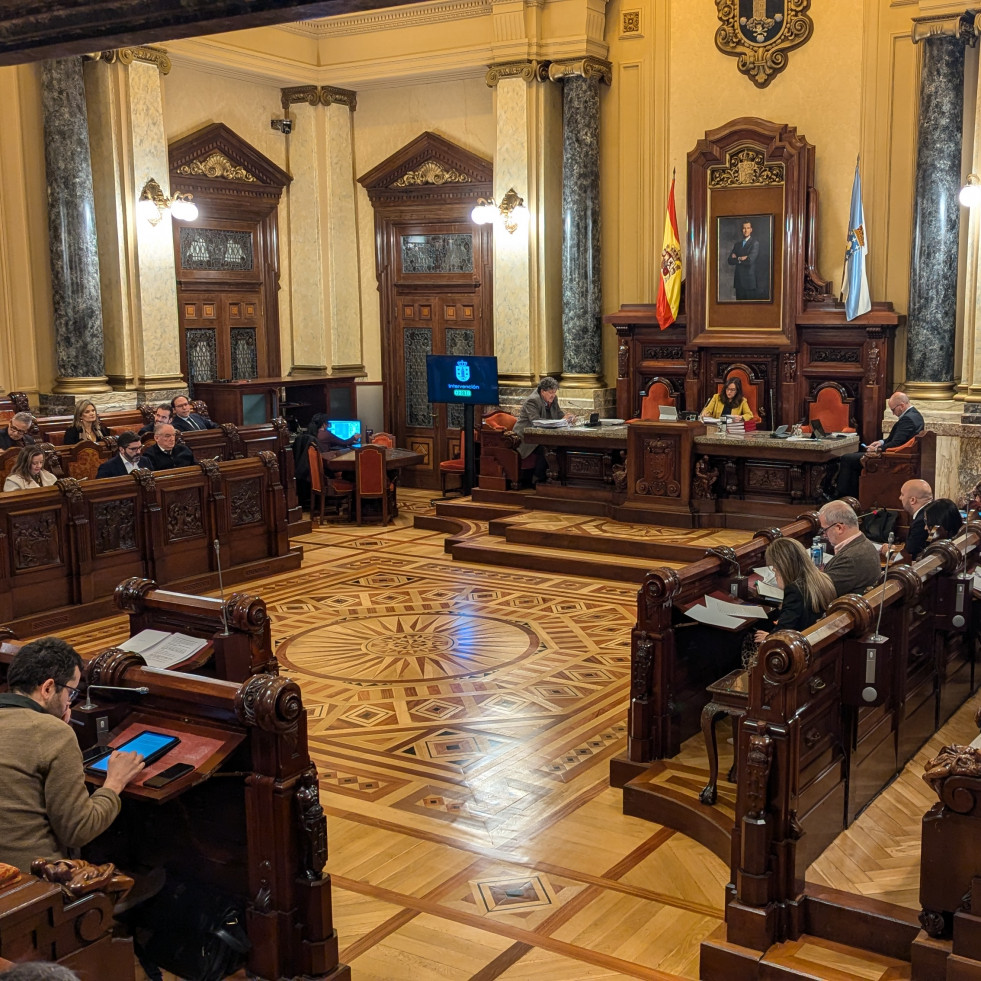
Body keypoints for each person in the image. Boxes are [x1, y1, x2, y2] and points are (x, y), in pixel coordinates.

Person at [0, 637, 144, 874]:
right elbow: (78, 830)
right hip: (32, 884)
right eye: (71, 692)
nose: (71, 702)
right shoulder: (52, 732)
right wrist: (114, 783)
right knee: (147, 878)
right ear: (47, 688)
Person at [835, 391, 924, 499]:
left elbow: (896, 444)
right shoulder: (916, 415)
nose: (893, 413)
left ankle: (842, 495)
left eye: (893, 410)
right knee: (853, 458)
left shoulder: (908, 419)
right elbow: (898, 440)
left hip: (892, 459)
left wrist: (877, 449)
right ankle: (852, 496)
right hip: (896, 454)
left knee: (847, 458)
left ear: (901, 406)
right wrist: (881, 442)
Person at [754, 537, 836, 642]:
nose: (775, 573)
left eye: (775, 569)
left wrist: (768, 637)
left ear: (783, 567)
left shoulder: (794, 590)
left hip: (800, 646)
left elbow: (782, 632)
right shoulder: (822, 579)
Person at [513, 377, 576, 485]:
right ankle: (537, 479)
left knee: (560, 446)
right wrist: (559, 421)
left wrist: (568, 417)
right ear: (543, 391)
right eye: (551, 392)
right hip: (525, 439)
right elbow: (536, 421)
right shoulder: (532, 401)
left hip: (542, 437)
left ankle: (560, 478)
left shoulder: (553, 399)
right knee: (547, 449)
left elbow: (559, 414)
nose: (553, 395)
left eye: (554, 392)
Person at [818, 500, 881, 596]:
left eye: (824, 529)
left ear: (839, 528)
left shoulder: (850, 559)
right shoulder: (865, 544)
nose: (824, 535)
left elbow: (820, 593)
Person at [883, 478, 933, 563]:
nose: (899, 498)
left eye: (902, 494)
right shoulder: (931, 512)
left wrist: (889, 552)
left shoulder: (921, 522)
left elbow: (907, 559)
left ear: (912, 500)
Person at [727, 219, 759, 300]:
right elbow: (730, 260)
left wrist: (737, 258)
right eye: (744, 228)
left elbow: (750, 260)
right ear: (742, 230)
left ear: (751, 230)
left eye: (748, 228)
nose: (745, 230)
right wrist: (741, 258)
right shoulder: (737, 245)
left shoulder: (755, 243)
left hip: (749, 282)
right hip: (739, 282)